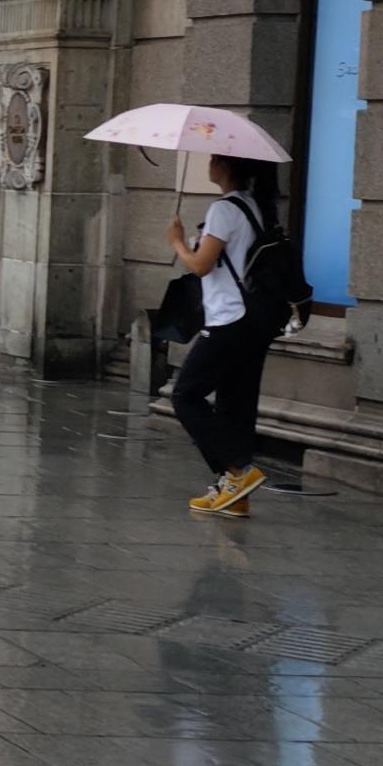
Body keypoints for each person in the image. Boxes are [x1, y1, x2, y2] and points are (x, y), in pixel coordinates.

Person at [169, 153, 287, 517]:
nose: (209, 163)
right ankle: (235, 494)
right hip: (254, 321)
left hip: (228, 320)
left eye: (214, 159)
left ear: (223, 166)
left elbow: (201, 266)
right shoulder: (256, 207)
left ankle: (238, 471)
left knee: (185, 394)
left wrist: (177, 242)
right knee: (235, 405)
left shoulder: (224, 209)